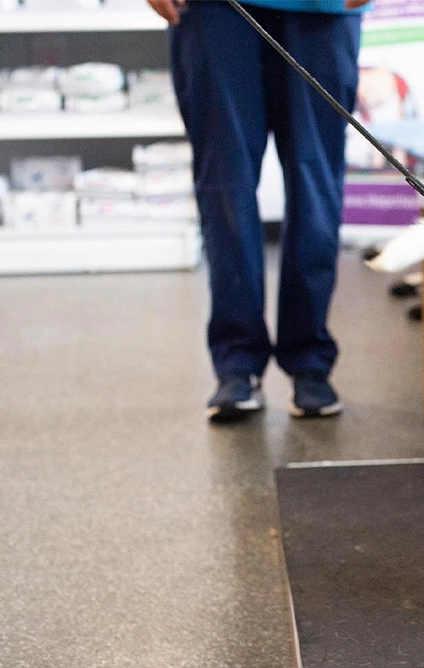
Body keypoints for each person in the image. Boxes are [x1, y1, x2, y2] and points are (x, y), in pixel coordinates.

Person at [147, 0, 371, 422]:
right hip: (214, 12)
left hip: (321, 11)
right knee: (225, 189)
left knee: (315, 186)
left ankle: (309, 360)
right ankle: (237, 363)